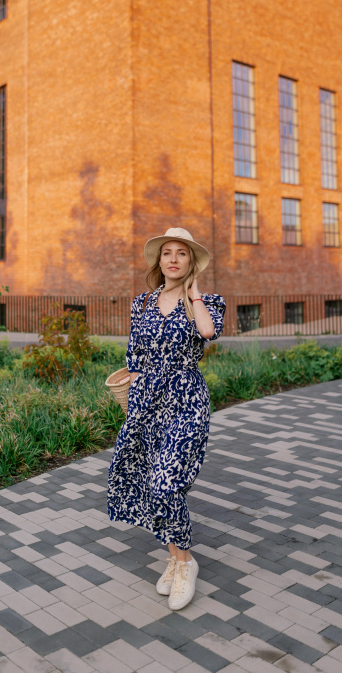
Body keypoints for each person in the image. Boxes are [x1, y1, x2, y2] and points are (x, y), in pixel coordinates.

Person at [107, 227, 226, 611]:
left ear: (191, 262)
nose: (173, 258)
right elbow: (133, 355)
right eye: (167, 253)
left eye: (182, 253)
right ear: (158, 261)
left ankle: (186, 564)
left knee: (164, 484)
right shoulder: (140, 303)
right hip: (148, 404)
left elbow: (209, 332)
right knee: (150, 483)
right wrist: (131, 379)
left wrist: (194, 293)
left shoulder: (205, 302)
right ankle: (175, 559)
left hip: (187, 401)